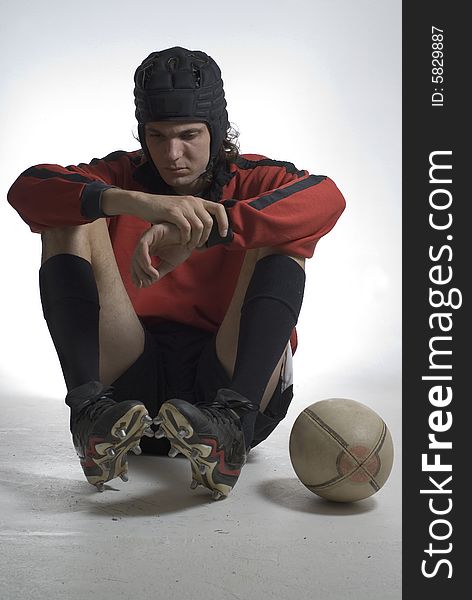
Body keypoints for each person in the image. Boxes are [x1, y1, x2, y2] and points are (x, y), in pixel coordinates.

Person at [7, 46, 345, 500]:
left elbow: (327, 198)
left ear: (217, 131)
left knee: (285, 231)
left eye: (189, 134)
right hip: (129, 391)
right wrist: (137, 203)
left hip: (229, 385)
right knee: (67, 214)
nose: (173, 153)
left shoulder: (256, 178)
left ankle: (229, 432)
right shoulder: (122, 174)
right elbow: (28, 189)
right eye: (157, 136)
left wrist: (208, 231)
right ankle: (88, 414)